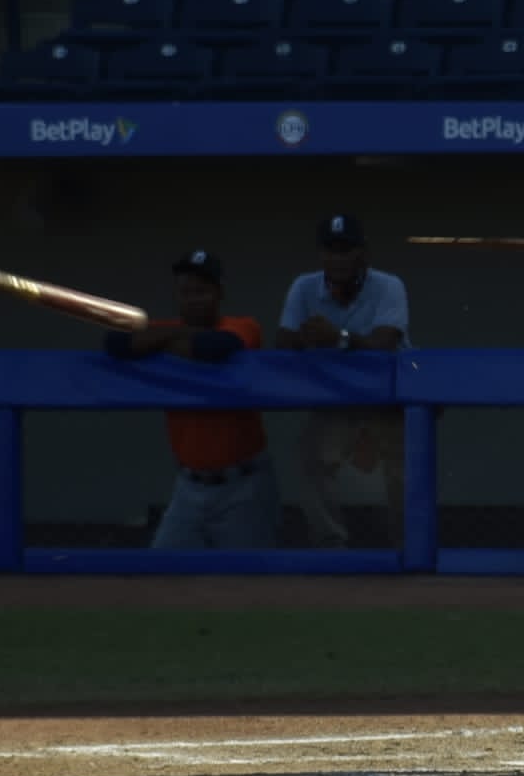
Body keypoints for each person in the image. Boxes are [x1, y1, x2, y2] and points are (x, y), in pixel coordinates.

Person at [104, 250, 280, 549]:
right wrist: (179, 336)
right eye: (186, 292)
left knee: (250, 582)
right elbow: (115, 342)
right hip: (188, 487)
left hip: (243, 485)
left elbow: (215, 348)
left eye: (202, 291)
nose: (194, 299)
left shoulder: (243, 326)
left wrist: (160, 343)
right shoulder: (169, 330)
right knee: (162, 572)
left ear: (219, 293)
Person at [277, 214, 411, 548]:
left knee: (404, 478)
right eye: (331, 250)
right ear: (321, 254)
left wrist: (336, 338)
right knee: (310, 461)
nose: (338, 258)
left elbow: (384, 345)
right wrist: (311, 339)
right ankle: (331, 545)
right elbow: (283, 341)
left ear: (363, 253)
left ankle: (409, 547)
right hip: (337, 398)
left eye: (346, 249)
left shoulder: (388, 285)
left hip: (388, 396)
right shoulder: (305, 286)